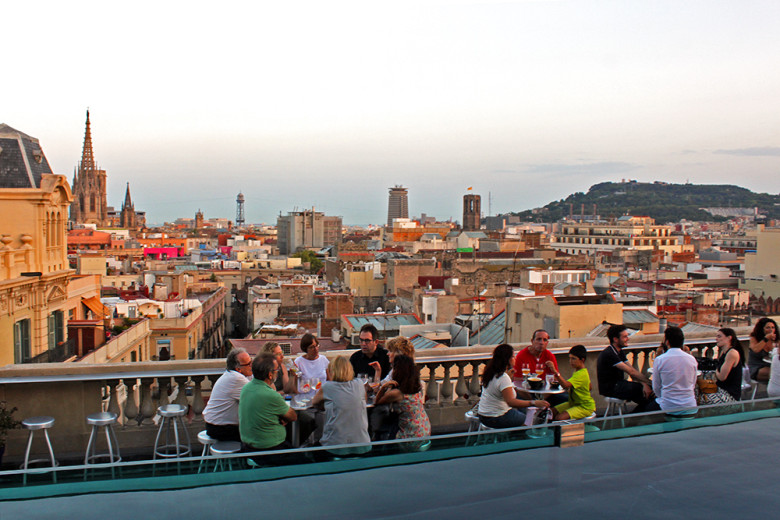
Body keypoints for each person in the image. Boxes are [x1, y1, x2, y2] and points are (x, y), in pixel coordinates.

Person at [477, 344, 550, 428]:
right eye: (513, 356)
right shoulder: (503, 378)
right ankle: (521, 437)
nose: (515, 359)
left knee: (521, 401)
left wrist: (509, 379)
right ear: (507, 359)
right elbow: (511, 402)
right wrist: (533, 403)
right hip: (497, 417)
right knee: (531, 419)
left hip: (483, 415)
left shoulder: (491, 372)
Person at [311, 356, 370, 455]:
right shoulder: (360, 384)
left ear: (331, 371)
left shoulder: (328, 387)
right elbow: (364, 401)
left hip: (335, 446)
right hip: (363, 444)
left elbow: (315, 403)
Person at [239, 353, 297, 451]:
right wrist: (284, 418)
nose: (277, 372)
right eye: (276, 370)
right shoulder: (271, 395)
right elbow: (293, 416)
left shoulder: (246, 388)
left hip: (247, 445)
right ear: (270, 375)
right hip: (269, 448)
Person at [375, 354, 431, 450]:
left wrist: (383, 387)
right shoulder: (416, 388)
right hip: (425, 431)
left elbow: (377, 402)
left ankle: (383, 454)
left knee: (385, 430)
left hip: (411, 437)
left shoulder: (397, 393)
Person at [596, 324, 655, 413]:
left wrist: (645, 383)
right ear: (615, 339)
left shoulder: (619, 352)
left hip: (618, 385)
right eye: (625, 337)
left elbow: (632, 370)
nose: (628, 339)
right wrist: (648, 382)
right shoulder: (610, 354)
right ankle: (634, 419)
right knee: (644, 393)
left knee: (647, 395)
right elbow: (630, 371)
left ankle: (636, 418)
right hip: (611, 388)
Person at [202, 347, 252, 442]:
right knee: (259, 432)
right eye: (248, 364)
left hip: (213, 424)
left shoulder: (231, 375)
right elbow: (257, 399)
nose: (251, 366)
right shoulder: (237, 379)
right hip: (220, 428)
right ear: (238, 369)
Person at [648, 327, 697, 414]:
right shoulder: (691, 359)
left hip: (668, 405)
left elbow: (656, 387)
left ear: (667, 342)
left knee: (644, 410)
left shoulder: (660, 359)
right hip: (690, 404)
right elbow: (693, 383)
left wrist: (662, 397)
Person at [546, 345, 596, 421]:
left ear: (582, 360)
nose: (570, 361)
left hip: (584, 407)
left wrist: (554, 371)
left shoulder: (581, 374)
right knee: (551, 412)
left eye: (573, 359)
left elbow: (566, 385)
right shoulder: (579, 371)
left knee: (559, 418)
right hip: (573, 403)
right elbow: (590, 386)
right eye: (570, 358)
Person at [713, 328, 745, 401]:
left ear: (729, 338)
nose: (716, 339)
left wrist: (715, 370)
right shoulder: (723, 352)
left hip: (729, 395)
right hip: (720, 390)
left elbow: (722, 377)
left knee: (701, 399)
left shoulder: (732, 353)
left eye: (719, 336)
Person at [748, 318, 778, 382]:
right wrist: (766, 338)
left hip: (771, 365)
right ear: (762, 329)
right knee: (776, 374)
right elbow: (756, 350)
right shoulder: (754, 338)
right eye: (768, 328)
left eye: (773, 327)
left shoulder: (775, 340)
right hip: (757, 366)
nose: (771, 330)